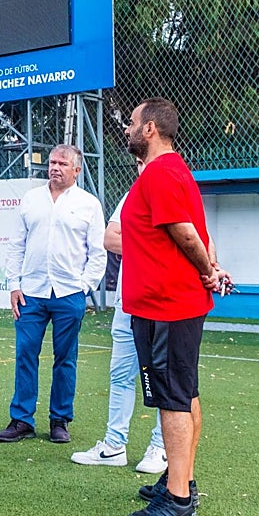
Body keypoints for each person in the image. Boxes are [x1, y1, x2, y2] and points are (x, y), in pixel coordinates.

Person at [120, 97, 232, 516]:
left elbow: (187, 234)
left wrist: (207, 270)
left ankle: (179, 501)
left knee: (173, 399)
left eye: (132, 123)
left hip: (166, 307)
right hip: (171, 304)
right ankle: (178, 478)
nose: (127, 130)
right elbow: (200, 231)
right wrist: (213, 268)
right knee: (185, 394)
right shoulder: (170, 171)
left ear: (150, 129)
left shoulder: (162, 173)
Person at [0, 144, 107, 445]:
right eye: (52, 162)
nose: (55, 167)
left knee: (65, 359)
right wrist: (14, 285)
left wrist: (84, 287)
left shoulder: (89, 204)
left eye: (62, 163)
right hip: (31, 292)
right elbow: (16, 245)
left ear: (77, 170)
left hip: (69, 293)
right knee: (25, 354)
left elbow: (98, 253)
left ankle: (59, 420)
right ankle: (21, 420)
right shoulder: (31, 200)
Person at [71, 159, 166, 474]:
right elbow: (110, 238)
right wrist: (156, 245)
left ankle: (160, 448)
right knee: (120, 374)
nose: (142, 167)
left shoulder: (173, 192)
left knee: (162, 376)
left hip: (162, 302)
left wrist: (141, 243)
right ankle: (114, 446)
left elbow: (198, 240)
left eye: (147, 161)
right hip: (128, 302)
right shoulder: (132, 195)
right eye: (138, 163)